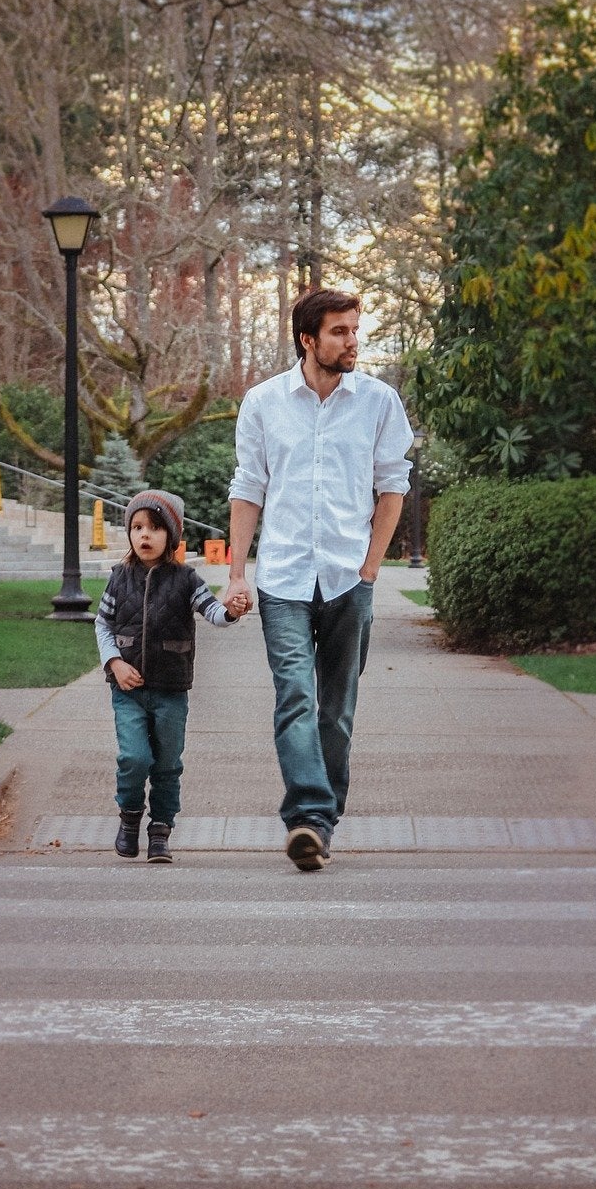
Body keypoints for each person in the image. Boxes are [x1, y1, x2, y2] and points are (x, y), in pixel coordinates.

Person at [225, 289, 413, 871]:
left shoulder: (379, 402)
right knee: (295, 697)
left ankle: (322, 824)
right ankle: (307, 816)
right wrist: (237, 573)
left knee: (336, 711)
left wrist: (372, 566)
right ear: (308, 340)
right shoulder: (263, 402)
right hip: (282, 577)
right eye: (339, 331)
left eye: (355, 330)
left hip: (347, 577)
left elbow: (393, 485)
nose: (352, 341)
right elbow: (248, 487)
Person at [95, 488, 248, 864]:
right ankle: (130, 818)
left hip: (171, 691)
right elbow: (103, 624)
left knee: (167, 763)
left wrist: (231, 611)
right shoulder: (119, 579)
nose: (144, 535)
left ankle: (160, 830)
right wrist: (114, 662)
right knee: (134, 758)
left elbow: (212, 612)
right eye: (137, 527)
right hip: (128, 690)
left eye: (155, 528)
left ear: (173, 536)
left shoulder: (186, 580)